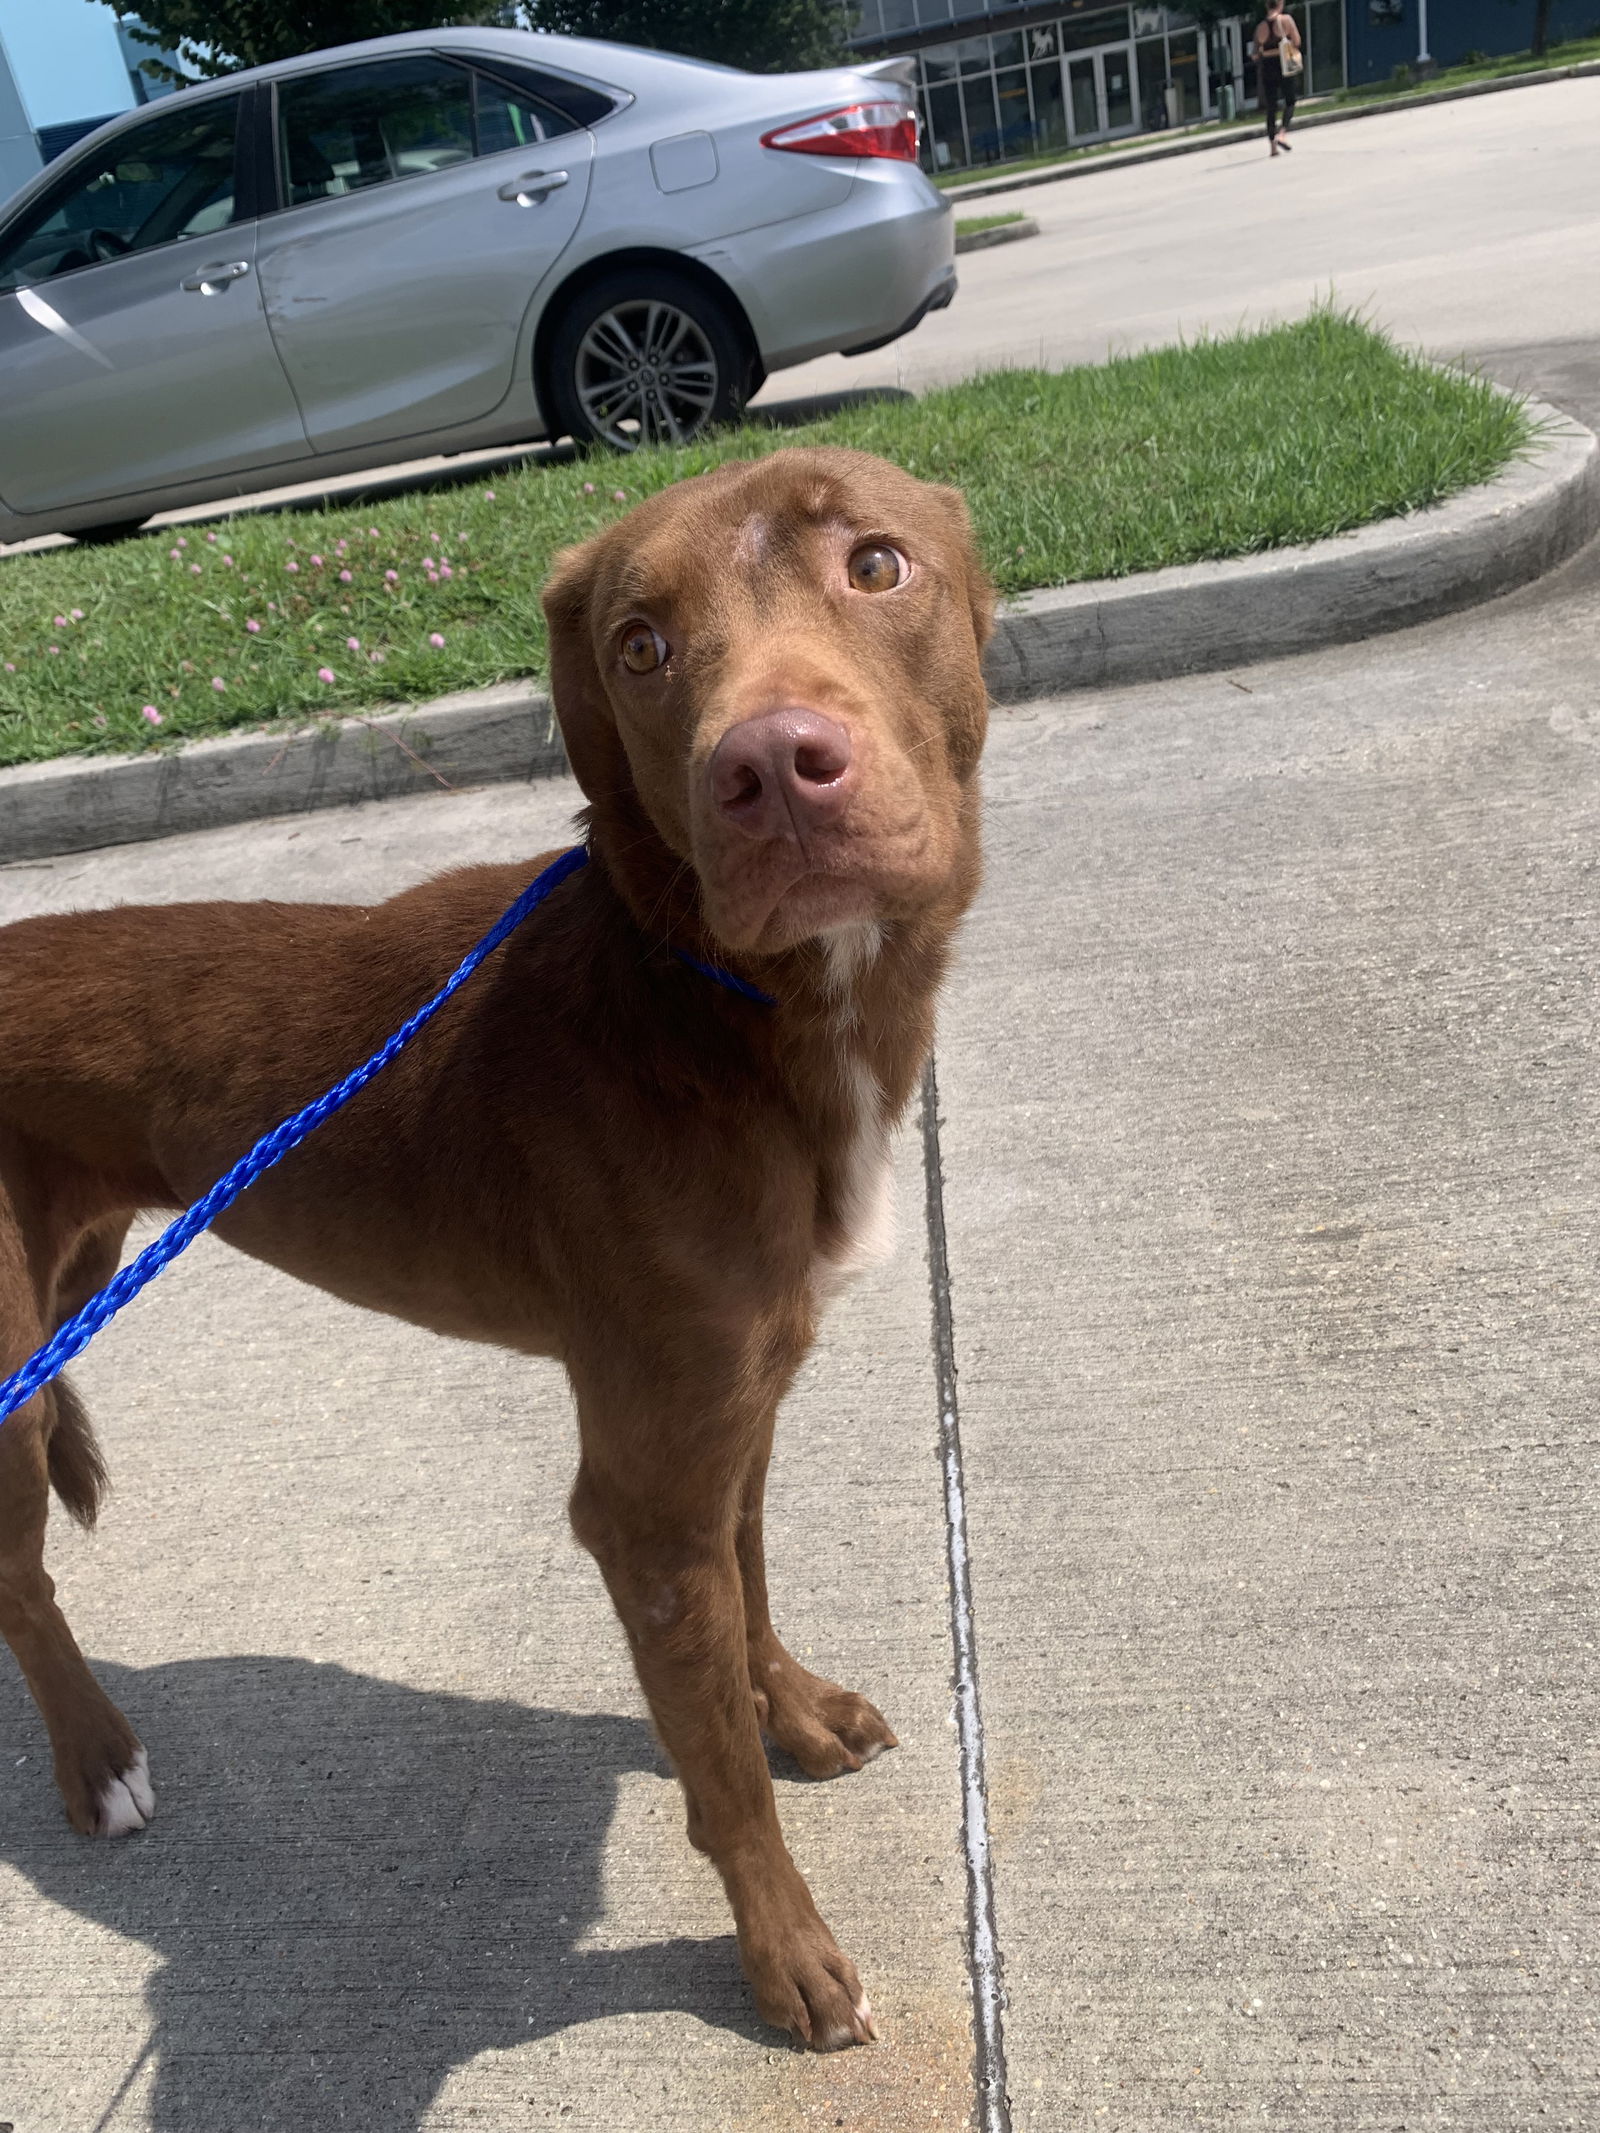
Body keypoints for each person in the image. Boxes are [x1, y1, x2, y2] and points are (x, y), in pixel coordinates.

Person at [1253, 0, 1303, 157]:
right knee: (1290, 101)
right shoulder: (1286, 20)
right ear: (1280, 4)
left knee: (1271, 107)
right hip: (1283, 65)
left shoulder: (1260, 28)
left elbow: (1255, 54)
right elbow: (1297, 41)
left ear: (1266, 6)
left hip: (1267, 67)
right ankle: (1283, 133)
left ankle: (1272, 147)